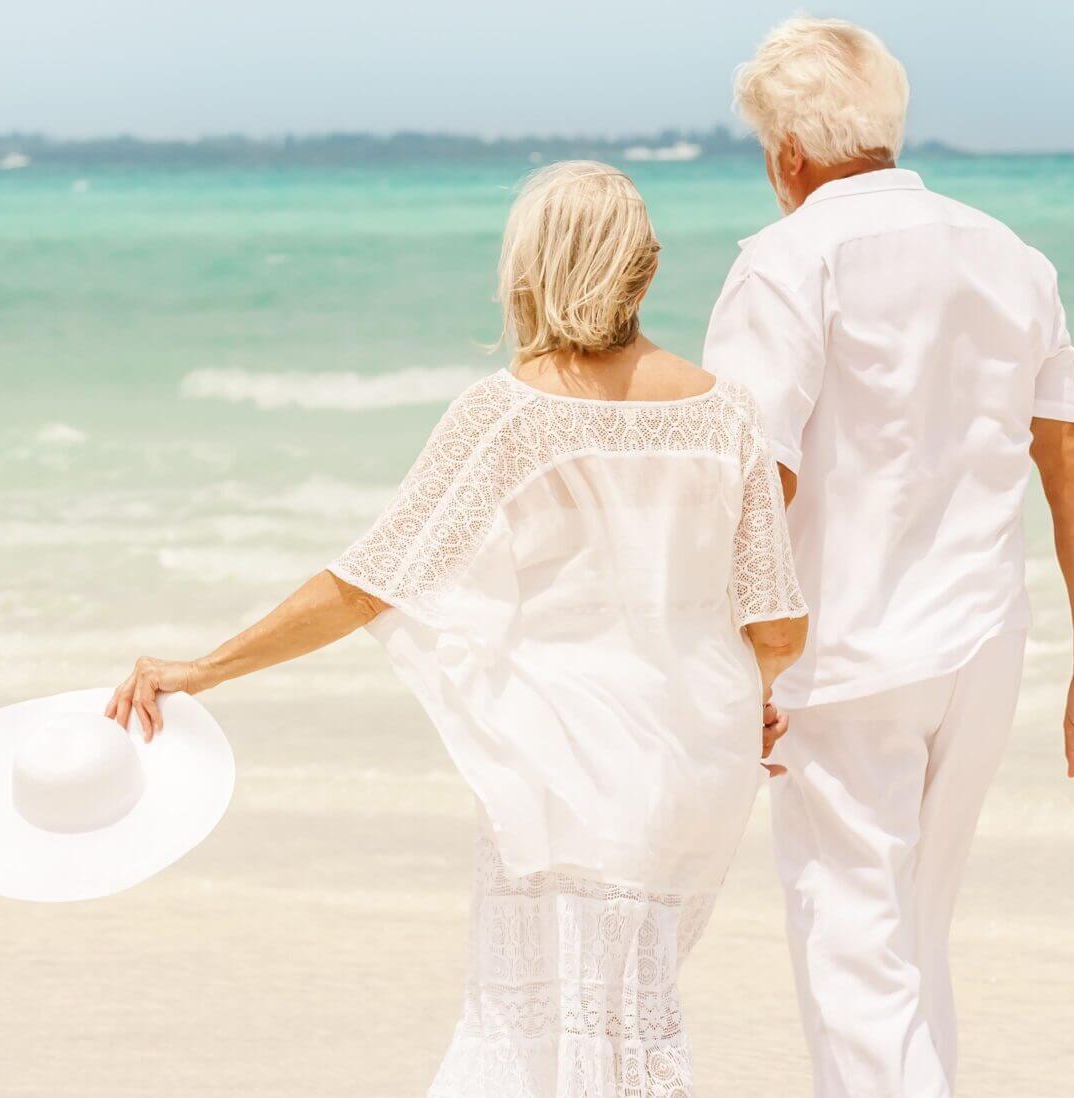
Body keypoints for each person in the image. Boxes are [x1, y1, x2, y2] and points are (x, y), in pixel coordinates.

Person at [107, 160, 809, 1097]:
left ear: (533, 271)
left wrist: (205, 668)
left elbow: (367, 584)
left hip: (563, 766)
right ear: (643, 266)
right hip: (695, 773)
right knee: (630, 1028)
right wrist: (751, 703)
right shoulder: (725, 413)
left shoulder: (509, 414)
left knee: (540, 1038)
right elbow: (778, 623)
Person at [702, 17, 1074, 1098]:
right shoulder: (1010, 256)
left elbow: (753, 480)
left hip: (841, 657)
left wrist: (736, 655)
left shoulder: (785, 260)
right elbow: (1071, 461)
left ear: (787, 153)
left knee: (853, 952)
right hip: (979, 651)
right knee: (910, 939)